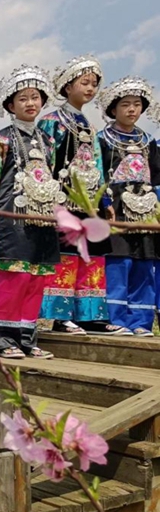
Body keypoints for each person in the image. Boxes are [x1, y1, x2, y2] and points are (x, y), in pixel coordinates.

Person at [0, 65, 63, 358]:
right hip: (12, 218)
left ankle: (27, 337)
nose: (30, 103)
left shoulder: (48, 141)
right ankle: (0, 337)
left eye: (35, 97)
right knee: (13, 275)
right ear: (10, 105)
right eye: (22, 98)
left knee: (36, 277)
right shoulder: (1, 139)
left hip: (42, 219)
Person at [38, 56, 115, 335]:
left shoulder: (90, 126)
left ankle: (90, 316)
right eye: (85, 82)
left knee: (93, 256)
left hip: (89, 202)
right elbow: (43, 161)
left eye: (94, 84)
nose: (91, 88)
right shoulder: (52, 121)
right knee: (67, 255)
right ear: (67, 86)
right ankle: (61, 317)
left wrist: (105, 200)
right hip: (63, 199)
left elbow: (97, 164)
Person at [96, 77, 160, 336]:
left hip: (146, 210)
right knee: (118, 263)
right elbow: (97, 175)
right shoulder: (102, 139)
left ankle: (141, 322)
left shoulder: (148, 141)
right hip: (116, 208)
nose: (132, 109)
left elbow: (157, 179)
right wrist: (104, 203)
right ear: (113, 109)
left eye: (137, 104)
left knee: (144, 263)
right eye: (125, 104)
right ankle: (116, 318)